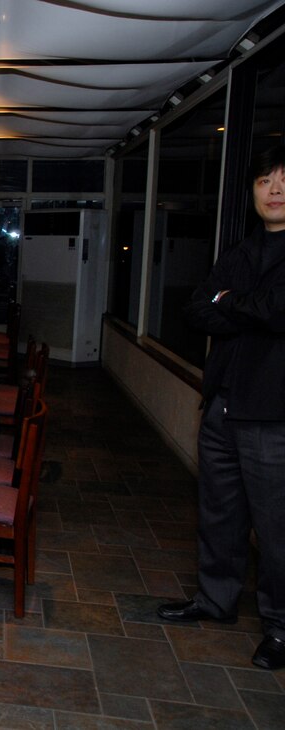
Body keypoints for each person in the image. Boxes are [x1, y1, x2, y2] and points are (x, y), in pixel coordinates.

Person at [157, 144, 285, 671]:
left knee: (276, 527)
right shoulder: (242, 250)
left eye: (284, 179)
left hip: (272, 414)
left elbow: (275, 310)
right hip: (222, 407)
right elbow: (194, 310)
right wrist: (239, 306)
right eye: (264, 180)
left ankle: (280, 625)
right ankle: (216, 600)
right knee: (219, 513)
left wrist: (229, 304)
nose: (274, 189)